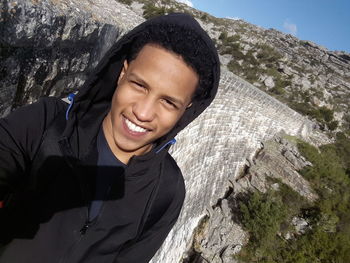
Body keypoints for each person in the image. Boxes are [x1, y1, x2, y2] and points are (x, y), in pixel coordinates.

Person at [0, 13, 220, 262]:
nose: (143, 112)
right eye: (139, 85)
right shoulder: (46, 122)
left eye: (168, 102)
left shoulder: (167, 191)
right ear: (122, 73)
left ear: (186, 109)